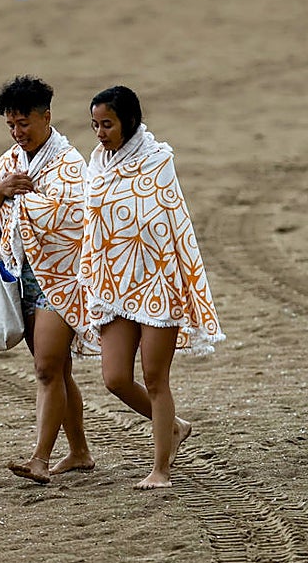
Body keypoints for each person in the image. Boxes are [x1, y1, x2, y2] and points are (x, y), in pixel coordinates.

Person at [81, 85, 224, 489]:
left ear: (129, 121)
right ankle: (175, 427)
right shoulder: (98, 162)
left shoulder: (158, 161)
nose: (100, 133)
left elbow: (169, 222)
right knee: (114, 378)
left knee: (156, 377)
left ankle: (161, 469)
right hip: (115, 284)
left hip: (159, 282)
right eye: (95, 125)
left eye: (107, 124)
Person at [0, 76, 98, 485]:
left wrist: (15, 198)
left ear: (46, 117)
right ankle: (79, 452)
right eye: (10, 125)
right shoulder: (9, 162)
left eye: (23, 123)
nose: (17, 132)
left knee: (45, 369)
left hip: (60, 279)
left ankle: (39, 459)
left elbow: (71, 214)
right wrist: (0, 192)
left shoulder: (69, 163)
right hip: (19, 276)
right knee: (59, 371)